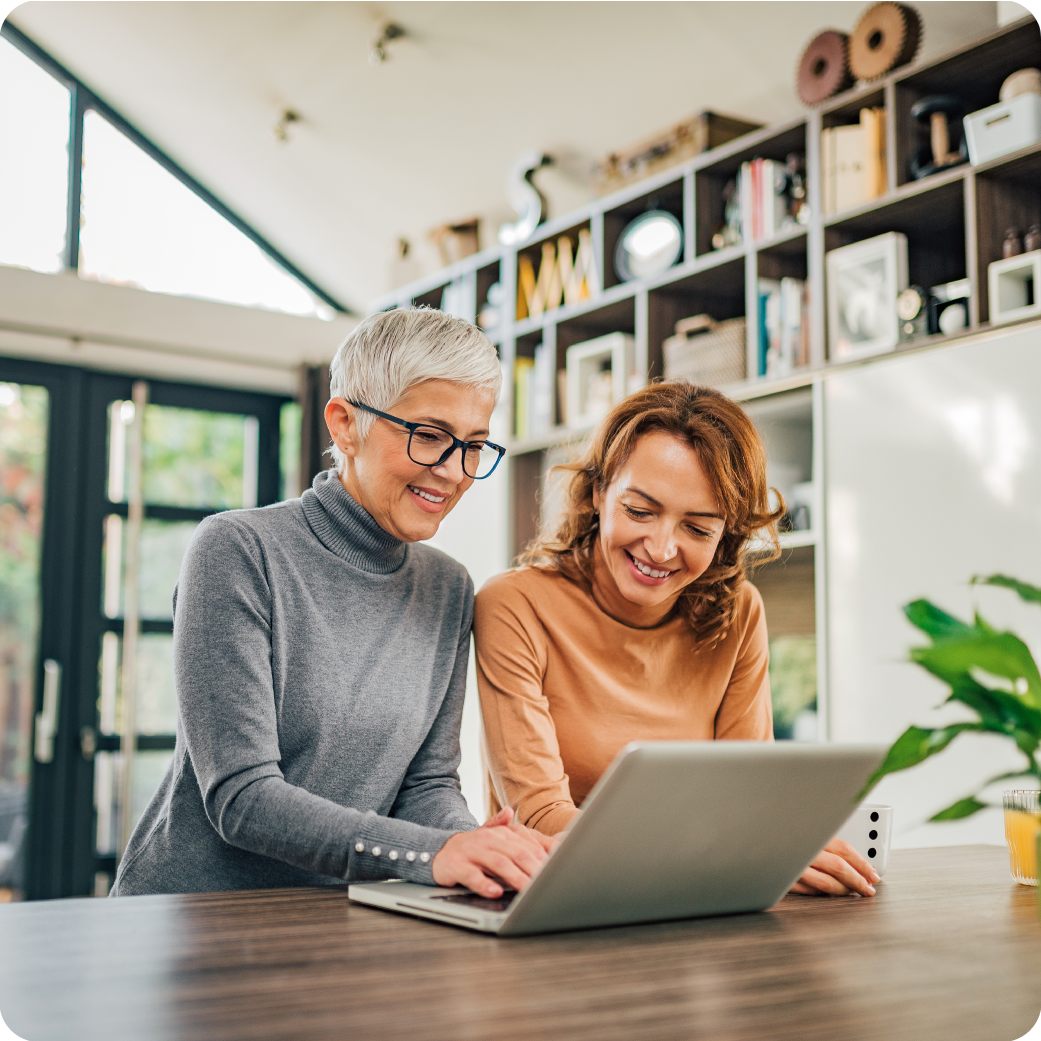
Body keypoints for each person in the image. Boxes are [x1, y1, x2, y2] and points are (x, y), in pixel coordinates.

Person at [113, 308, 549, 900]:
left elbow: (426, 785)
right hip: (192, 921)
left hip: (333, 919)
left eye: (473, 445)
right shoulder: (237, 551)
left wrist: (483, 851)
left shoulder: (449, 588)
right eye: (429, 436)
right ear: (345, 424)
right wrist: (436, 853)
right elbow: (242, 799)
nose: (452, 472)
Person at [475, 380, 878, 898]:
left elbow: (747, 799)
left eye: (698, 528)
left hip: (692, 907)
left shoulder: (738, 613)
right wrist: (745, 853)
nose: (662, 548)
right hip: (559, 905)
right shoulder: (515, 606)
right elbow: (540, 817)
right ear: (599, 492)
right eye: (640, 511)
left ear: (726, 533)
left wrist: (774, 845)